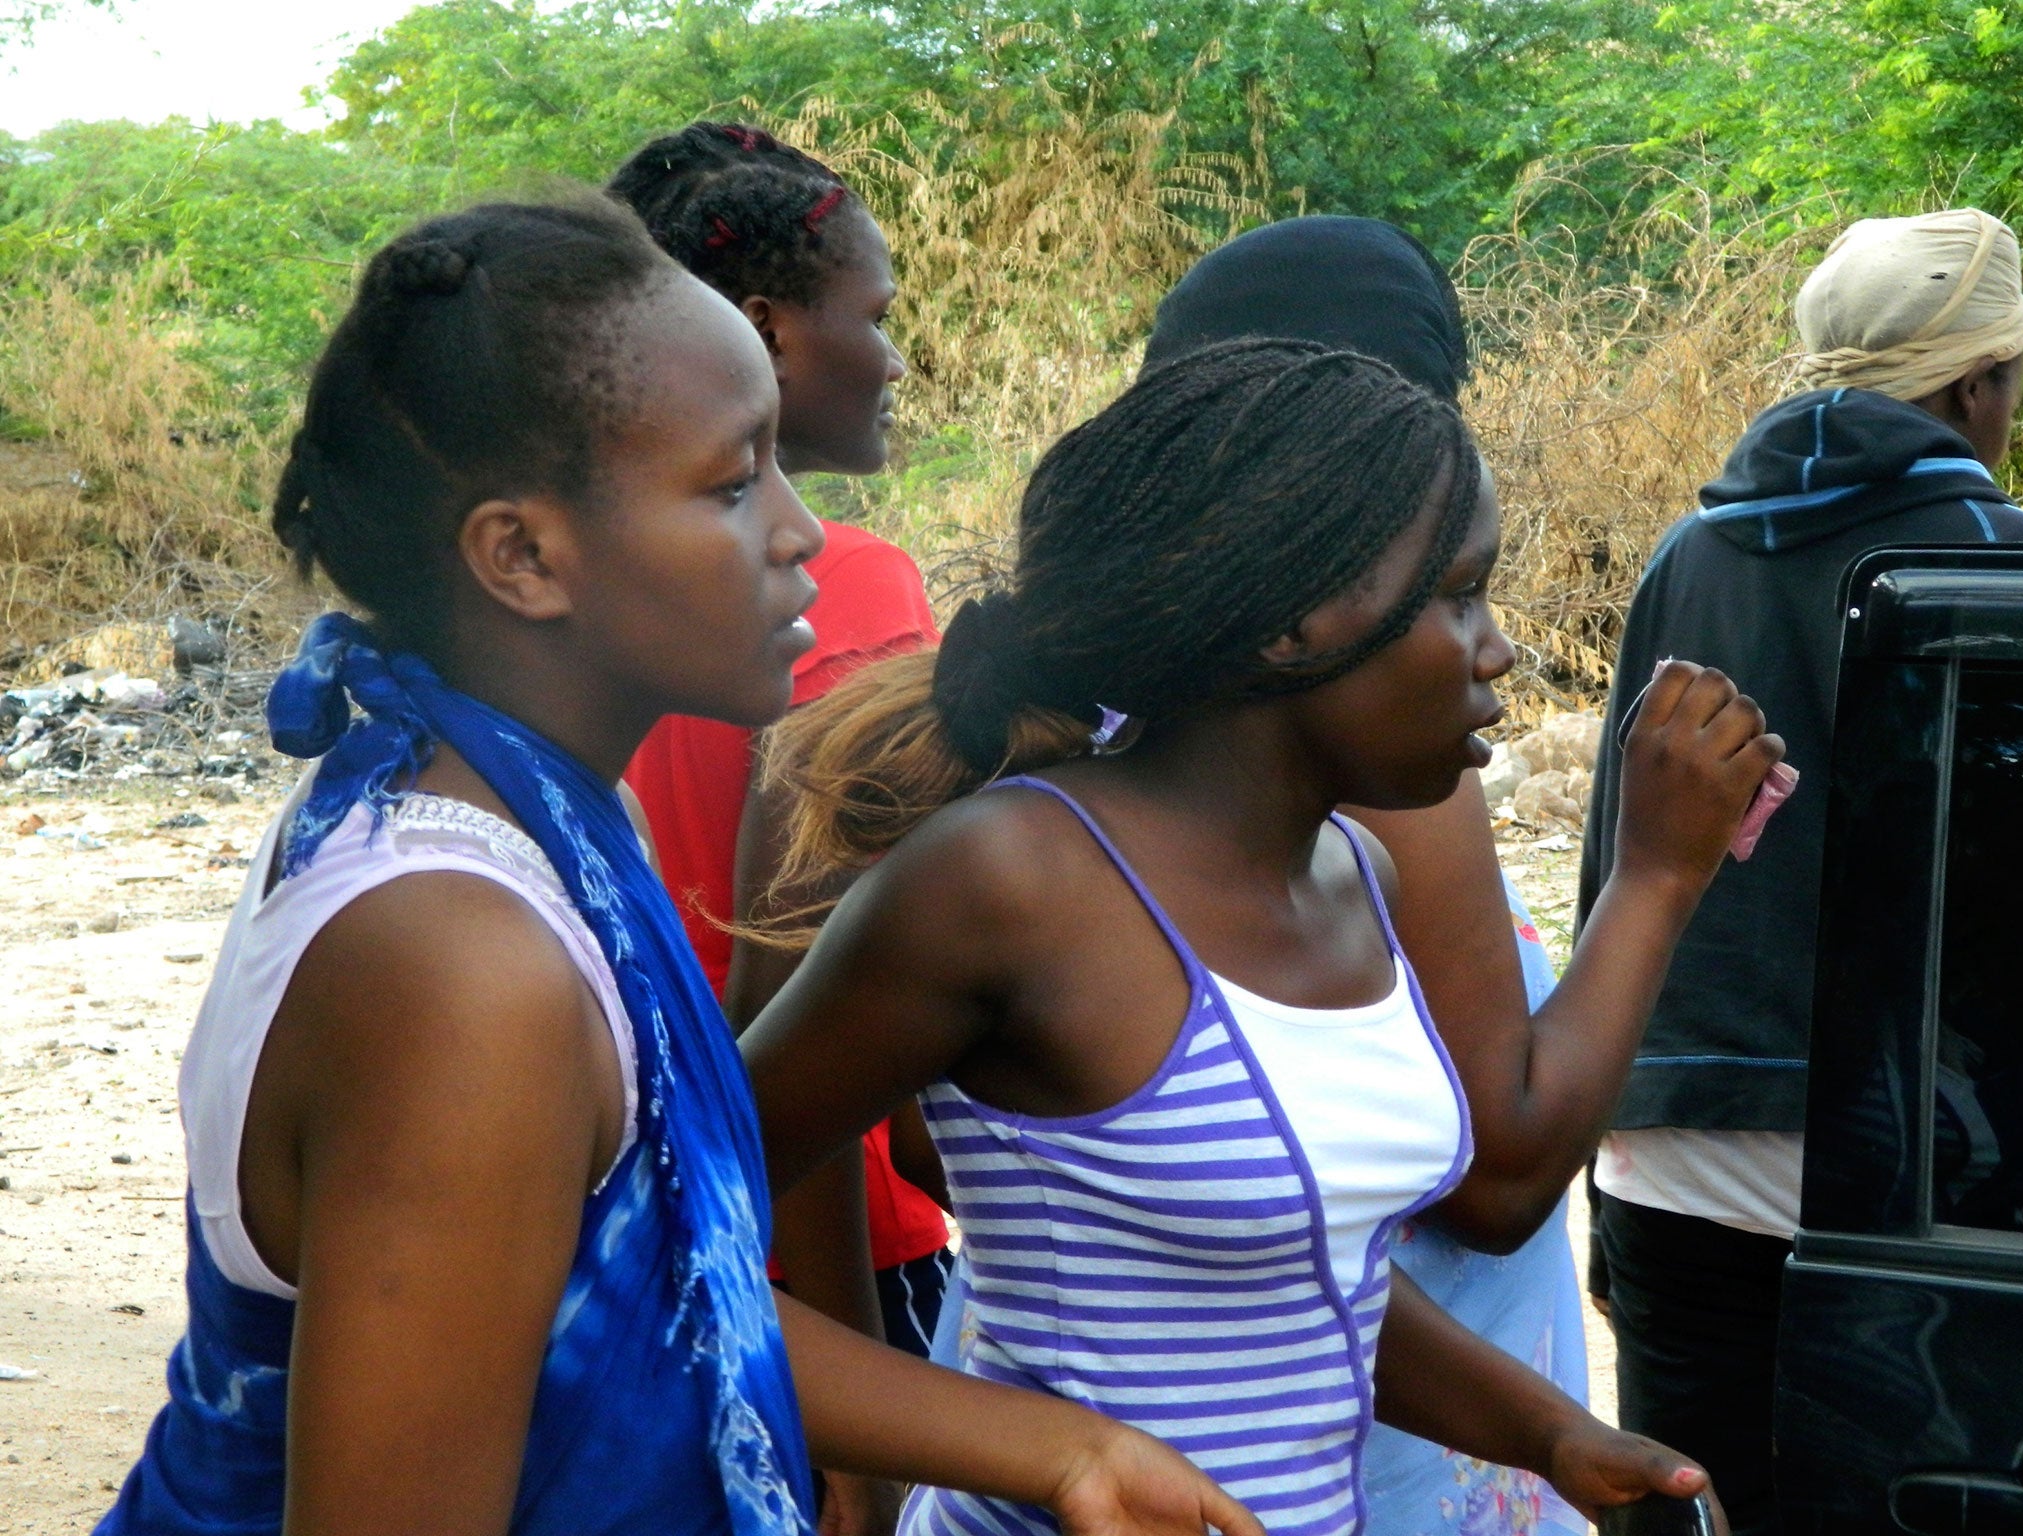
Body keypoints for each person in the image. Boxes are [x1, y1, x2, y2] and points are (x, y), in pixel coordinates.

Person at [97, 195, 1270, 1536]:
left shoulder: (499, 812)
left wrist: (1063, 1451)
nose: (800, 531)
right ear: (524, 555)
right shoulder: (463, 970)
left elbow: (646, 1282)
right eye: (730, 483)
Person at [743, 338, 1770, 1533]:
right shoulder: (1012, 881)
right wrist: (1040, 1453)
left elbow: (1295, 1284)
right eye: (1455, 595)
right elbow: (660, 1219)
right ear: (1288, 625)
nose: (1498, 650)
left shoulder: (1358, 875)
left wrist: (1549, 1433)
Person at [1577, 206, 2023, 1536]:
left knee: (1698, 1507)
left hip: (1669, 1150)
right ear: (1978, 384)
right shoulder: (2016, 570)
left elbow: (1623, 849)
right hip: (1924, 1183)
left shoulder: (1689, 555)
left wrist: (1603, 1153)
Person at [608, 124, 956, 1373]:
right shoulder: (846, 590)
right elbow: (792, 994)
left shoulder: (594, 586)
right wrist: (854, 1409)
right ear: (766, 331)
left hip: (636, 1219)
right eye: (876, 314)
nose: (897, 356)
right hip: (826, 1264)